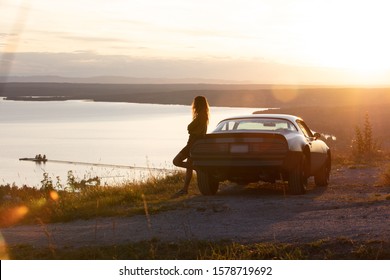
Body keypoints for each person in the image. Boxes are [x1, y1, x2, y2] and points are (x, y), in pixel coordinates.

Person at [172, 96, 209, 197]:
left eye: (195, 102)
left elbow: (190, 127)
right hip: (193, 142)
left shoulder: (201, 115)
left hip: (192, 144)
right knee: (188, 167)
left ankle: (197, 168)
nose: (193, 104)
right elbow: (192, 129)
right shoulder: (203, 115)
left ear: (198, 104)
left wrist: (190, 129)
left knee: (176, 161)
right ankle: (185, 189)